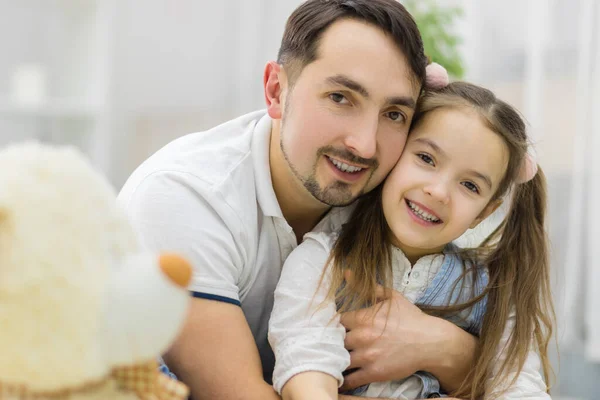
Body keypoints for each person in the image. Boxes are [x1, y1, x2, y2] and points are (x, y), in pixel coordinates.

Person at [117, 1, 479, 399]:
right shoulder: (185, 197)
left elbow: (512, 378)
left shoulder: (393, 195)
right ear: (276, 90)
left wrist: (445, 347)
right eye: (340, 97)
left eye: (394, 114)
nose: (364, 144)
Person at [268, 81, 555, 400]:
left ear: (484, 212)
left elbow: (520, 387)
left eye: (470, 186)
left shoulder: (494, 294)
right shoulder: (322, 259)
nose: (438, 191)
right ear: (394, 153)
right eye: (427, 159)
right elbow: (305, 360)